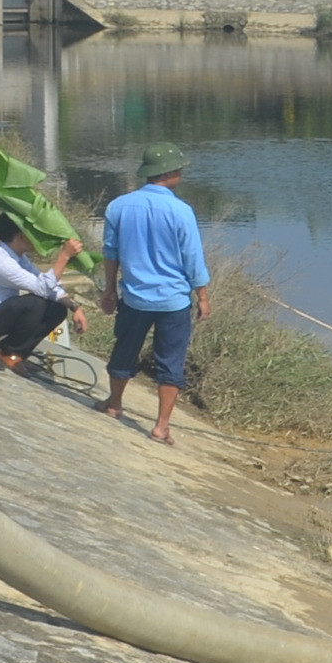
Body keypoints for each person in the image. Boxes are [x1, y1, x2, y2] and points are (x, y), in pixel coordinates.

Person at [97, 144, 211, 444]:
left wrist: (109, 290)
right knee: (170, 361)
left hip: (135, 298)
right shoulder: (181, 211)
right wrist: (202, 296)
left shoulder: (118, 206)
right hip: (173, 301)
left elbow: (110, 252)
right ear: (172, 174)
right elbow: (193, 259)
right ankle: (161, 426)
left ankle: (114, 403)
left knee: (124, 350)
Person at [0, 215, 82, 374]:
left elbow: (46, 283)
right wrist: (65, 256)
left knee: (57, 309)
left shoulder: (19, 257)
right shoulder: (0, 261)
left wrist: (74, 307)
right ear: (20, 236)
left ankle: (18, 354)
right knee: (34, 304)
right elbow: (41, 288)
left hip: (0, 319)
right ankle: (7, 351)